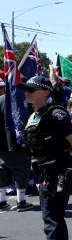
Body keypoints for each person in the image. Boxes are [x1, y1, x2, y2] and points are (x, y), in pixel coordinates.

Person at [17, 76, 72, 240]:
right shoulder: (35, 114)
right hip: (45, 172)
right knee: (54, 218)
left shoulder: (56, 114)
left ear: (45, 92)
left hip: (56, 173)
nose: (27, 92)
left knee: (52, 219)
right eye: (26, 89)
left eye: (32, 89)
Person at [0, 78, 34, 212]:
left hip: (2, 144)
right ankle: (21, 201)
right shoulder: (17, 99)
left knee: (3, 170)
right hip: (16, 141)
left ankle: (2, 200)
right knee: (21, 169)